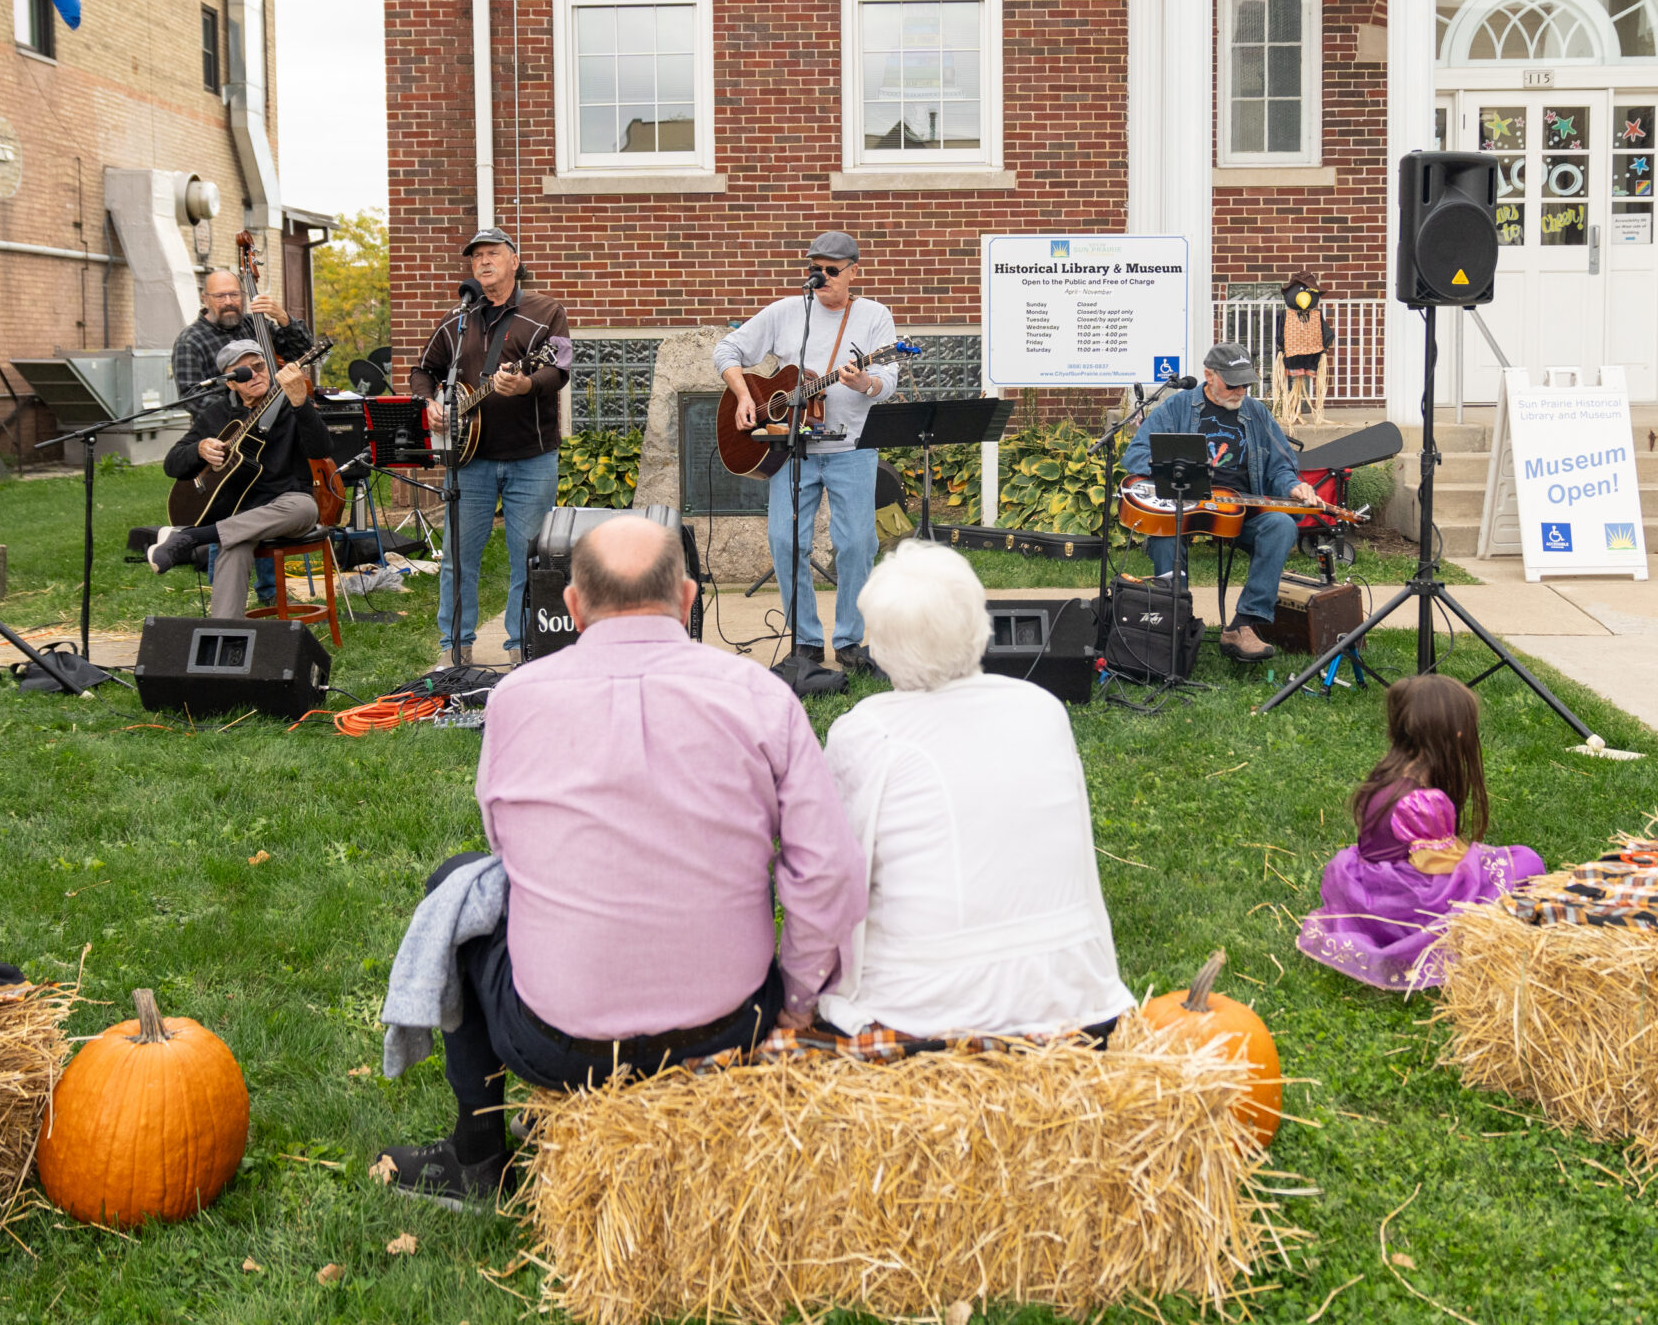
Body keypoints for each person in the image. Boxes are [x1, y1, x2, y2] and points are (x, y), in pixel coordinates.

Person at [378, 515, 867, 1205]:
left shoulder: (516, 699)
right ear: (689, 598)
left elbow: (505, 852)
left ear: (572, 606)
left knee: (458, 888)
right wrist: (796, 1005)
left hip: (555, 1045)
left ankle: (477, 1155)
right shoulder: (762, 695)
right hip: (731, 1030)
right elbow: (828, 872)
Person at [813, 543, 1133, 1039]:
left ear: (883, 646)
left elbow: (833, 880)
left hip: (924, 1015)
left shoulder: (864, 731)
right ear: (982, 624)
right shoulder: (1043, 709)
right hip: (1075, 1004)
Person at [716, 231, 900, 677]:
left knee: (857, 543)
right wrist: (743, 395)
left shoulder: (875, 316)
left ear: (854, 270)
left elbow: (888, 379)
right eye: (814, 270)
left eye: (831, 271)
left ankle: (850, 640)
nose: (821, 279)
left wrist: (865, 383)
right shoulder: (785, 312)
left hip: (853, 447)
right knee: (785, 541)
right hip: (792, 449)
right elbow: (727, 349)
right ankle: (806, 641)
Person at [1296, 674, 1545, 991]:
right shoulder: (1421, 800)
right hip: (1408, 898)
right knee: (1525, 862)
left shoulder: (1391, 772)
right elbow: (1441, 866)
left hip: (1365, 888)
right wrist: (1480, 865)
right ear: (1454, 733)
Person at [407, 227, 573, 660]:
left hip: (530, 457)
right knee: (458, 558)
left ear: (513, 261)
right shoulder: (458, 320)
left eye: (492, 253)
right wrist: (430, 403)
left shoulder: (547, 311)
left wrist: (525, 384)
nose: (483, 261)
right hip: (468, 460)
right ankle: (455, 647)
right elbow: (422, 370)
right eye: (477, 256)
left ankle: (524, 645)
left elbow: (560, 369)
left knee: (529, 559)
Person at [1119, 342, 1325, 664]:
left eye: (1245, 382)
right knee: (1163, 537)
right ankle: (1177, 621)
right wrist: (1178, 469)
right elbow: (1135, 455)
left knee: (1281, 525)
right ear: (1209, 376)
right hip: (1184, 508)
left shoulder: (1256, 413)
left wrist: (1294, 485)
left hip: (1239, 511)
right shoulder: (1177, 408)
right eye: (1233, 383)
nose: (1240, 390)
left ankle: (1244, 624)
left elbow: (1281, 465)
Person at [147, 339, 331, 617]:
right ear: (231, 383)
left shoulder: (289, 403)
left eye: (259, 367)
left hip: (286, 505)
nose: (255, 374)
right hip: (238, 514)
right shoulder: (217, 415)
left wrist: (300, 403)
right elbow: (172, 464)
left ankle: (190, 537)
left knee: (305, 508)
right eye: (243, 373)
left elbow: (322, 450)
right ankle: (225, 638)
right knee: (233, 543)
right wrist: (199, 450)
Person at [170, 265, 312, 404]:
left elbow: (303, 351)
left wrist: (283, 317)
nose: (228, 302)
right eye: (219, 296)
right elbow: (191, 397)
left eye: (234, 294)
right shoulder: (190, 341)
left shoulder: (255, 324)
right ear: (205, 300)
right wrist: (244, 412)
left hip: (279, 420)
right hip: (229, 425)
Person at [1273, 272, 1335, 427]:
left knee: (1301, 383)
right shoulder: (1286, 315)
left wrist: (1324, 348)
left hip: (1311, 356)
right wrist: (1281, 348)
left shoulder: (1316, 316)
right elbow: (1280, 333)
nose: (1304, 296)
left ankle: (1298, 411)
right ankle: (1292, 411)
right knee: (1293, 383)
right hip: (1291, 355)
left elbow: (1326, 332)